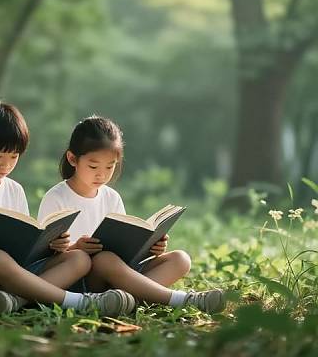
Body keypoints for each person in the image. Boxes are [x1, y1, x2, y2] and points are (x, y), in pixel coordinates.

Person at [0, 102, 135, 316]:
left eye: (13, 157)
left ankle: (15, 300)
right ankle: (81, 302)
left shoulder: (14, 190)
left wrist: (53, 245)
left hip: (15, 273)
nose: (6, 165)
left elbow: (26, 247)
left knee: (79, 259)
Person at [38, 115, 226, 314]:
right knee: (104, 259)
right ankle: (182, 300)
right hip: (81, 279)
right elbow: (44, 258)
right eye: (93, 167)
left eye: (110, 167)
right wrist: (76, 247)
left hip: (116, 275)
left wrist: (149, 248)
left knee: (180, 259)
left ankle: (121, 301)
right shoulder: (56, 197)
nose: (101, 174)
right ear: (72, 159)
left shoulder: (112, 197)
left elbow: (123, 249)